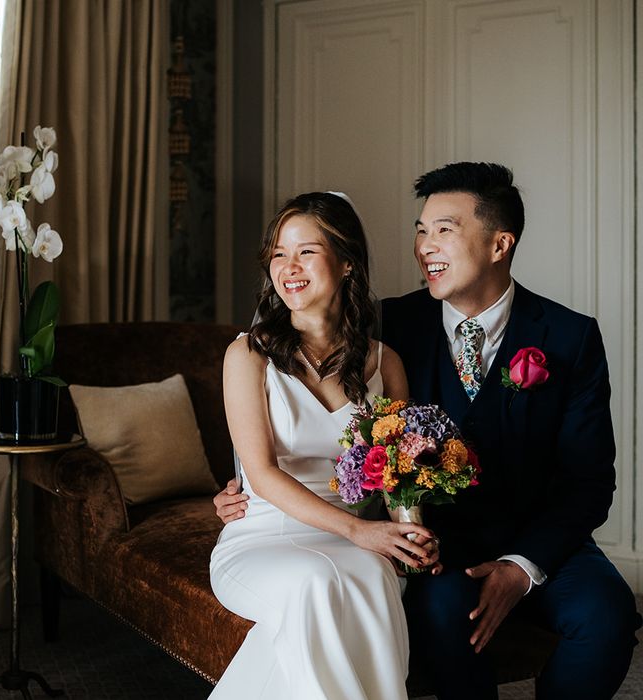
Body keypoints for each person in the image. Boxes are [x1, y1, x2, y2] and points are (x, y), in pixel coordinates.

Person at [215, 164, 640, 699]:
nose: (424, 246)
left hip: (540, 538)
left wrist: (520, 567)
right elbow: (288, 388)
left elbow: (590, 481)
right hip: (441, 542)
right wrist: (238, 487)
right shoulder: (389, 324)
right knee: (439, 616)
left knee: (608, 618)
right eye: (420, 230)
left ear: (499, 244)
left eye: (444, 229)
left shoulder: (570, 337)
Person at [209, 191, 440, 700]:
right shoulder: (247, 356)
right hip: (262, 535)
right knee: (315, 583)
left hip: (355, 535)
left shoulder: (386, 363)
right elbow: (263, 475)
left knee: (375, 578)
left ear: (347, 262)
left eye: (306, 251)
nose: (288, 267)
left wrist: (409, 533)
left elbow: (397, 474)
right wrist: (361, 530)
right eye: (278, 254)